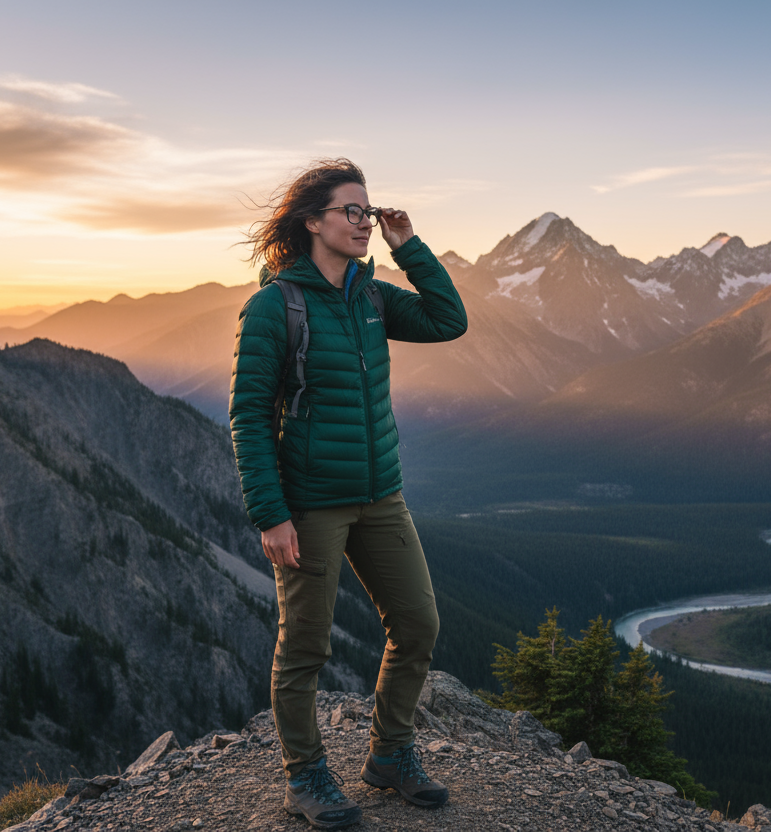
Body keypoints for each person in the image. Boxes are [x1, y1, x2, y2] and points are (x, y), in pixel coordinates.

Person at [230, 158, 467, 829]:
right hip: (310, 504)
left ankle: (390, 755)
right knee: (305, 646)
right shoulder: (275, 306)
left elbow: (448, 320)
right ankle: (304, 776)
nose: (365, 223)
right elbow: (248, 416)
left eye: (369, 211)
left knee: (417, 624)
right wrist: (271, 514)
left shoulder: (371, 297)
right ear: (313, 221)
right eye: (352, 212)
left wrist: (408, 245)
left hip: (380, 495)